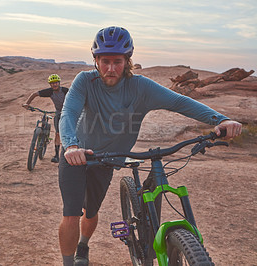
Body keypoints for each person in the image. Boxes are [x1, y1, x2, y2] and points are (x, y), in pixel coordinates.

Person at [58, 26, 242, 266]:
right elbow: (68, 113)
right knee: (72, 213)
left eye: (117, 61)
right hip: (77, 154)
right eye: (105, 61)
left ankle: (83, 245)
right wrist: (71, 146)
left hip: (108, 158)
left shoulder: (140, 87)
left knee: (90, 213)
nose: (111, 68)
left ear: (127, 61)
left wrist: (221, 120)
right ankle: (68, 262)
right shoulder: (85, 81)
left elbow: (178, 102)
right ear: (96, 60)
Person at [23, 74, 69, 163]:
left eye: (56, 82)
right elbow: (34, 94)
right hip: (58, 112)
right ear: (50, 84)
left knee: (68, 132)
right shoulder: (50, 92)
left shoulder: (65, 91)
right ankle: (56, 155)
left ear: (59, 83)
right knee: (57, 133)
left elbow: (74, 97)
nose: (54, 85)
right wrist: (27, 103)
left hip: (67, 112)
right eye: (52, 83)